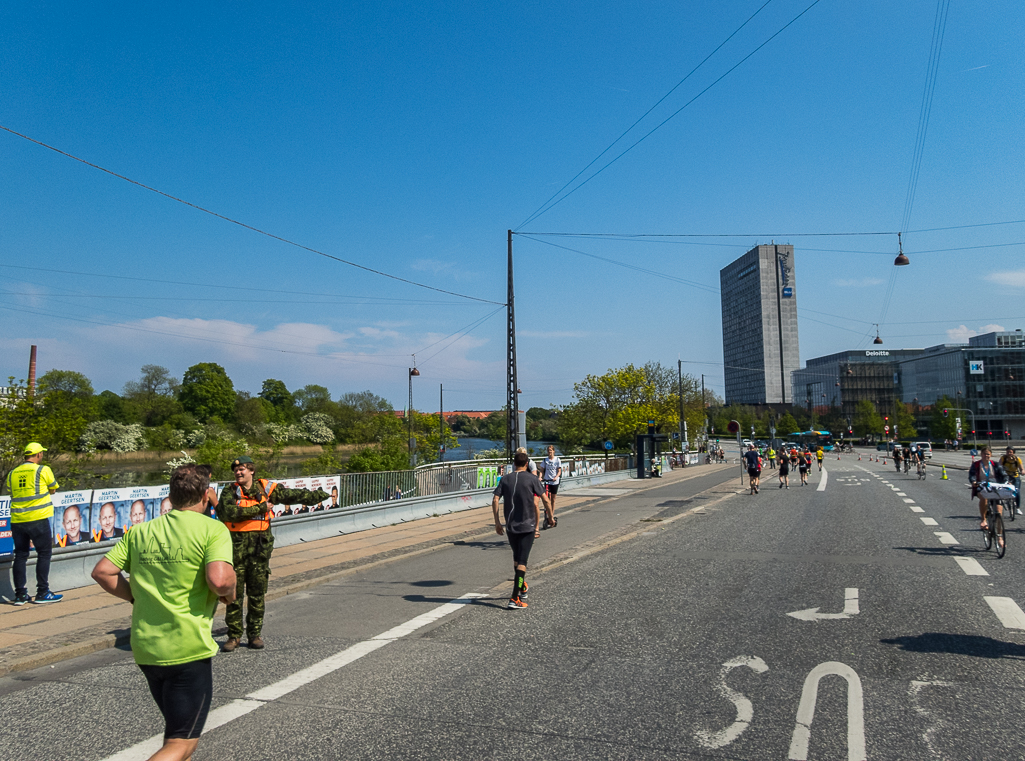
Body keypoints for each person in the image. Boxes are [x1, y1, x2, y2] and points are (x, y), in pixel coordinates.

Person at [91, 464, 236, 761]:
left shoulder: (142, 531)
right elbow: (219, 580)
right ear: (207, 496)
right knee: (181, 742)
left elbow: (104, 572)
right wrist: (230, 594)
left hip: (147, 649)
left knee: (177, 731)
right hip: (187, 649)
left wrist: (136, 598)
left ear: (171, 495)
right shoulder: (212, 529)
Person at [217, 455, 328, 651]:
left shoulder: (266, 489)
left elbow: (292, 495)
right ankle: (234, 635)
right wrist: (260, 507)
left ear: (252, 470)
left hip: (259, 551)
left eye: (242, 469)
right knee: (234, 595)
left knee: (257, 594)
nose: (238, 472)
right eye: (236, 470)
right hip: (236, 552)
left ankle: (254, 634)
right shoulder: (229, 491)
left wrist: (317, 496)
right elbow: (228, 513)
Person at [492, 452, 551, 609]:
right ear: (527, 464)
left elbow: (495, 499)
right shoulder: (532, 479)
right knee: (522, 562)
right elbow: (545, 499)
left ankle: (522, 586)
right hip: (527, 526)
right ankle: (514, 598)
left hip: (511, 526)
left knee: (517, 559)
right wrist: (550, 517)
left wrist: (497, 522)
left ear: (514, 464)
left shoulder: (505, 479)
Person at [6, 443, 63, 604]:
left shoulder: (12, 473)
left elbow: (13, 491)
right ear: (38, 454)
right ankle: (43, 592)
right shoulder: (42, 470)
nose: (42, 456)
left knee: (20, 555)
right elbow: (53, 488)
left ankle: (20, 595)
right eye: (41, 454)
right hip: (39, 518)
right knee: (44, 554)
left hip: (18, 520)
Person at [969, 446, 1009, 530]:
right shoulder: (976, 465)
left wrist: (1006, 481)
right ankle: (983, 520)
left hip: (995, 486)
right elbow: (972, 475)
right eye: (984, 454)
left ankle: (1000, 537)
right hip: (981, 485)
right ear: (981, 454)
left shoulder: (996, 465)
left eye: (988, 454)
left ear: (991, 455)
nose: (986, 455)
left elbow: (1004, 474)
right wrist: (974, 481)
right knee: (984, 497)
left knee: (999, 512)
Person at [539, 445, 562, 528]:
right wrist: (540, 477)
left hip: (554, 482)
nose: (549, 452)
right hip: (547, 481)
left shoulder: (557, 460)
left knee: (553, 499)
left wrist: (556, 477)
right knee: (546, 499)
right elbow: (542, 470)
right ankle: (547, 514)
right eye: (548, 450)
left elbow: (559, 471)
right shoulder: (545, 460)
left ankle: (551, 515)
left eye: (551, 450)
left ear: (553, 451)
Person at [1000, 447, 1023, 515]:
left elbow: (1021, 468)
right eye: (1007, 452)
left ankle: (1017, 508)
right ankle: (1006, 502)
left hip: (1015, 476)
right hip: (1005, 476)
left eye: (1010, 452)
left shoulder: (1017, 459)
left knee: (1017, 491)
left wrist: (1022, 471)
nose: (1009, 453)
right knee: (1004, 490)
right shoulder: (1003, 458)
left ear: (1013, 453)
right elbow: (999, 466)